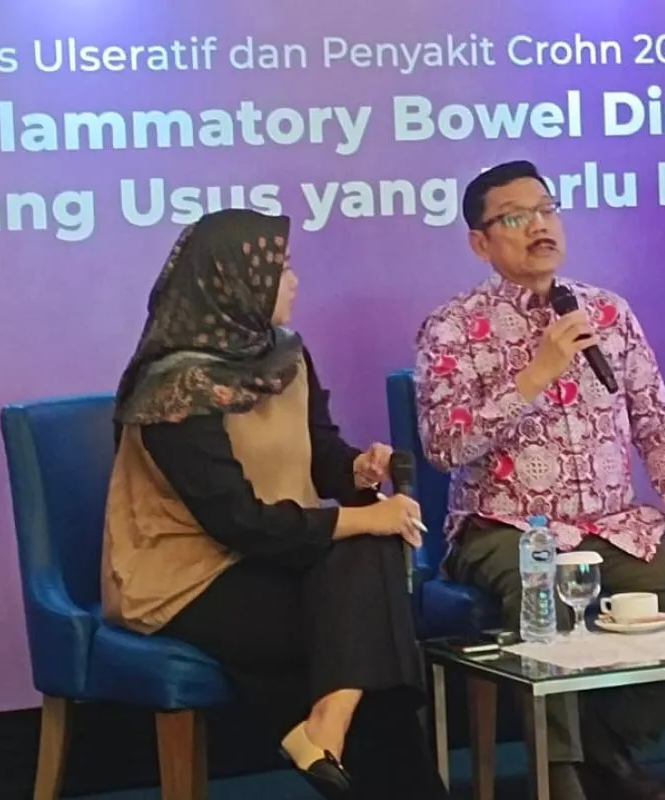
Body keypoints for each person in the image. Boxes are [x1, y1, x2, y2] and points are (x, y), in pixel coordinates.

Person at [101, 209, 448, 800]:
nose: (294, 281)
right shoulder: (175, 390)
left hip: (278, 552)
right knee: (357, 629)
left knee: (367, 568)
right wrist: (364, 516)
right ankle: (334, 728)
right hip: (188, 576)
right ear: (235, 282)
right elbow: (237, 522)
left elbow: (321, 452)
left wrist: (356, 470)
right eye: (281, 269)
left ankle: (325, 728)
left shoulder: (285, 356)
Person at [414, 160, 665, 800]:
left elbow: (658, 424)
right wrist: (535, 375)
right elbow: (444, 446)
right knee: (545, 591)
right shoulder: (451, 327)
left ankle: (605, 745)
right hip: (505, 526)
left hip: (613, 526)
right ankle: (560, 778)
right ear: (480, 242)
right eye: (515, 217)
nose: (539, 226)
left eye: (546, 210)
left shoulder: (607, 313)